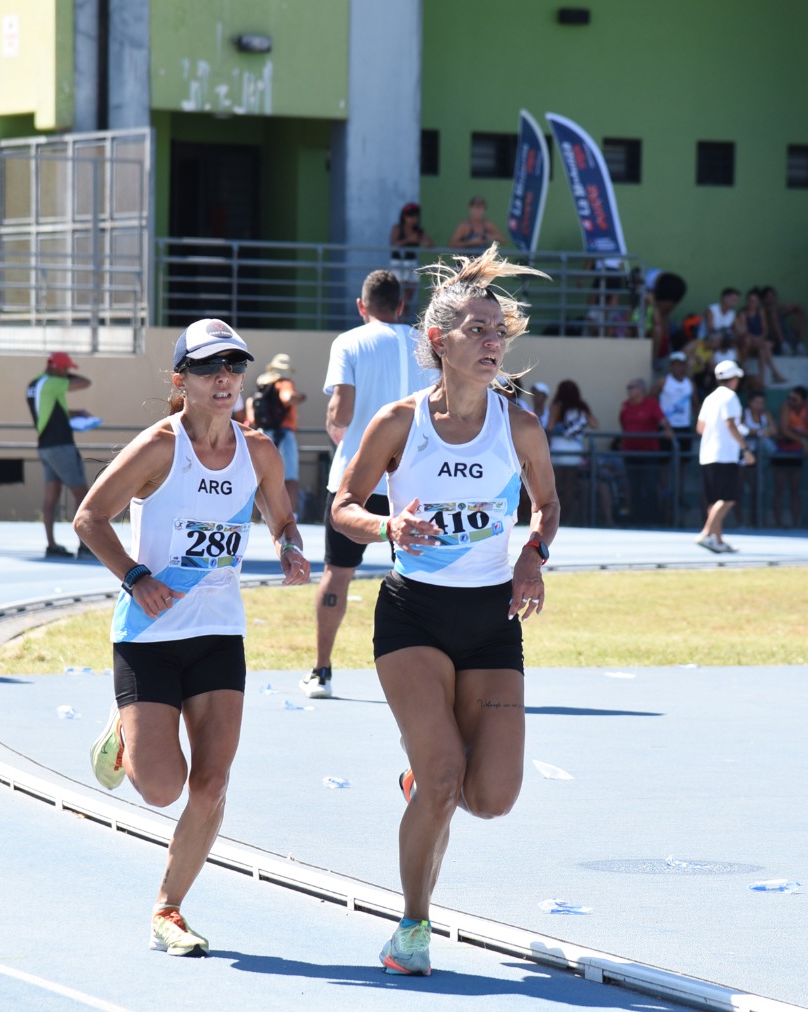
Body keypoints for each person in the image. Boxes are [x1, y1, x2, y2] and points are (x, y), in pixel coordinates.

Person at [329, 245, 558, 977]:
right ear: (439, 342)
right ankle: (412, 929)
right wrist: (387, 528)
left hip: (491, 620)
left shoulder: (519, 427)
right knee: (443, 778)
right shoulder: (399, 424)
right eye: (478, 331)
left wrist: (532, 555)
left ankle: (424, 785)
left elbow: (547, 505)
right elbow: (340, 508)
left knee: (490, 798)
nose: (493, 344)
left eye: (499, 333)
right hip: (413, 619)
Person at [78, 319, 309, 959]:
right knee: (161, 788)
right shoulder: (159, 448)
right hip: (149, 635)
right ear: (181, 381)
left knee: (211, 784)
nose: (225, 379)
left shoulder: (258, 450)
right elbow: (89, 517)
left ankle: (168, 908)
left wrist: (289, 549)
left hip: (217, 635)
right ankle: (125, 728)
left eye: (233, 366)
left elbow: (283, 518)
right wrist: (134, 576)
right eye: (210, 369)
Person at [306, 269, 431, 700]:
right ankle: (426, 676)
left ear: (363, 307)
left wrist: (333, 426)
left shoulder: (349, 341)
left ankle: (322, 670)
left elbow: (341, 411)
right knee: (418, 577)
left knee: (337, 574)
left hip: (357, 478)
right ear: (400, 306)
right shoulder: (424, 343)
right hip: (412, 480)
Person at [26, 351, 94, 558]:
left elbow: (53, 411)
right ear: (55, 367)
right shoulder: (53, 383)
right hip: (61, 446)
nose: (67, 373)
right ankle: (85, 546)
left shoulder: (35, 383)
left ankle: (51, 545)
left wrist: (76, 413)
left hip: (45, 446)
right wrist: (65, 377)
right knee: (83, 496)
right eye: (66, 369)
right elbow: (85, 382)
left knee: (51, 498)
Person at [694, 359, 753, 551]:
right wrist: (745, 449)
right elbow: (730, 424)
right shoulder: (730, 397)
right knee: (728, 498)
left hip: (707, 454)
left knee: (715, 500)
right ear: (734, 378)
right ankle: (706, 534)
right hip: (725, 455)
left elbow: (700, 428)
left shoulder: (710, 398)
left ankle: (718, 541)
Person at [248, 352, 306, 522]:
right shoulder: (285, 383)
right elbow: (288, 398)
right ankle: (291, 517)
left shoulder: (263, 383)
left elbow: (252, 413)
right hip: (284, 434)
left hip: (263, 434)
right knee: (290, 478)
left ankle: (256, 516)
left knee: (259, 477)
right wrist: (300, 397)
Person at [619, 377, 674, 526]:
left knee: (650, 485)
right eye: (628, 387)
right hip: (630, 453)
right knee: (633, 487)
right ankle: (635, 518)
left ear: (641, 390)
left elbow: (663, 421)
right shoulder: (625, 406)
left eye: (632, 387)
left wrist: (668, 430)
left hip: (648, 453)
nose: (629, 390)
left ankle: (654, 518)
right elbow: (624, 424)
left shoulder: (651, 404)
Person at [546, 379, 596, 525]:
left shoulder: (557, 406)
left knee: (556, 487)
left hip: (558, 451)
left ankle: (554, 520)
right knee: (569, 487)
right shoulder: (581, 407)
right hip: (575, 452)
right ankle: (566, 518)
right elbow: (595, 424)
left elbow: (549, 426)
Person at [772, 386, 808, 528]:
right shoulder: (785, 407)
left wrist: (795, 433)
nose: (791, 401)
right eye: (789, 398)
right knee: (779, 489)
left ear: (803, 400)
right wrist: (802, 440)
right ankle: (778, 523)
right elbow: (783, 430)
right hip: (781, 451)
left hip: (796, 453)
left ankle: (796, 523)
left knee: (795, 490)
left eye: (794, 399)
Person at [651, 350, 696, 460]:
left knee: (684, 459)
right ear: (670, 366)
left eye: (680, 364)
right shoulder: (663, 381)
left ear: (684, 366)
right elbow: (651, 399)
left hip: (684, 426)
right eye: (674, 364)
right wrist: (659, 418)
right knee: (663, 460)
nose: (677, 367)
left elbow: (696, 404)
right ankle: (664, 478)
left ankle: (681, 478)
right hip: (666, 426)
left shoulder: (690, 383)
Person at [739, 288, 786, 384]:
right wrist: (756, 339)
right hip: (748, 343)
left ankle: (761, 379)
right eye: (751, 301)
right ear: (747, 301)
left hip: (759, 342)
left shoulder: (760, 312)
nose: (753, 303)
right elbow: (744, 332)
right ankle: (774, 373)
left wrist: (760, 338)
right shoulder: (743, 313)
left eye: (755, 301)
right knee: (764, 345)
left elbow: (765, 329)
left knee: (763, 348)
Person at [761, 285, 808, 356]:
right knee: (773, 314)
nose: (771, 299)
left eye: (772, 296)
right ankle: (784, 346)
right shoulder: (762, 311)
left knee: (801, 312)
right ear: (764, 299)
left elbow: (797, 308)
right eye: (768, 297)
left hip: (787, 336)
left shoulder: (779, 309)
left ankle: (800, 345)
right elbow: (771, 310)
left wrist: (792, 307)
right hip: (774, 341)